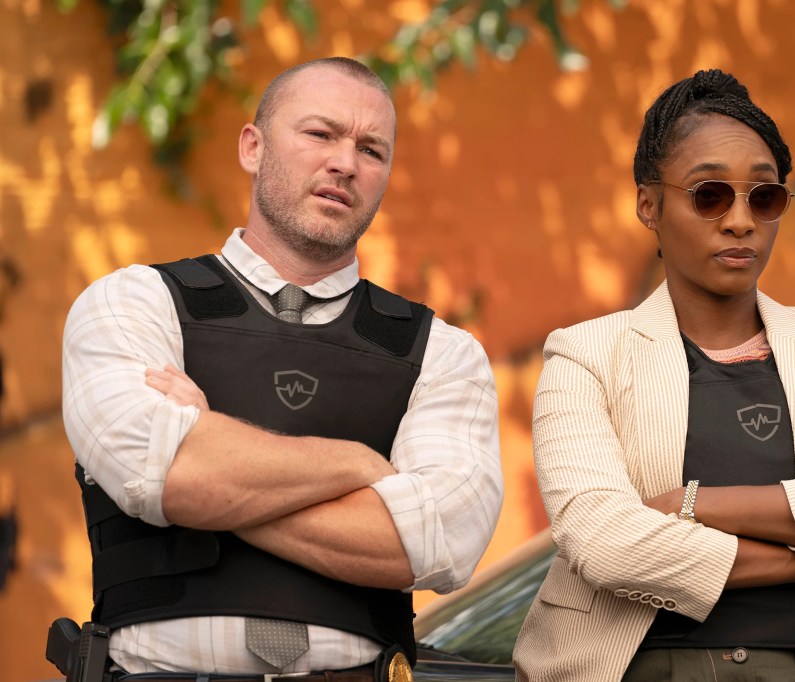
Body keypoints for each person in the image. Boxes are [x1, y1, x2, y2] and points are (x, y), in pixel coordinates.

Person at [61, 56, 503, 681]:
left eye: (371, 150)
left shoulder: (442, 352)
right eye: (321, 133)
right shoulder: (132, 302)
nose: (345, 163)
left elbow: (437, 542)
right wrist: (358, 465)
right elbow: (164, 474)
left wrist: (213, 453)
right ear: (253, 147)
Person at [512, 69, 795, 682]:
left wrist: (692, 503)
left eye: (764, 197)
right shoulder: (586, 355)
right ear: (649, 204)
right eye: (709, 194)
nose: (740, 220)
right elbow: (605, 542)